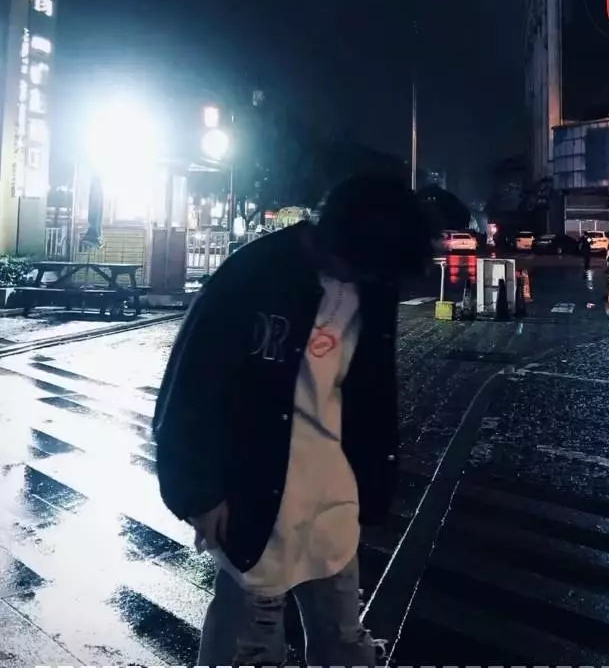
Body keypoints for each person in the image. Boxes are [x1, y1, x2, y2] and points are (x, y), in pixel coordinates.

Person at [152, 172, 439, 668]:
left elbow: (372, 394)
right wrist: (198, 492)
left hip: (332, 496)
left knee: (341, 637)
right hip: (256, 496)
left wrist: (373, 484)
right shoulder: (255, 274)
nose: (360, 278)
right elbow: (192, 385)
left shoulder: (372, 284)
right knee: (247, 644)